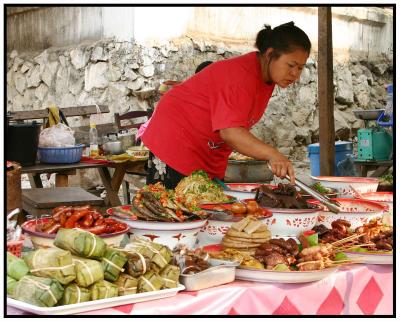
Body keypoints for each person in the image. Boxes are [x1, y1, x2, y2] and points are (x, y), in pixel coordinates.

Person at [142, 22, 311, 189]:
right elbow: (231, 132)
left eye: (300, 68)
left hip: (207, 150)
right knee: (175, 210)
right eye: (291, 65)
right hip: (174, 139)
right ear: (269, 54)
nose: (294, 74)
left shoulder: (266, 77)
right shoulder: (241, 77)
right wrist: (273, 154)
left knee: (210, 208)